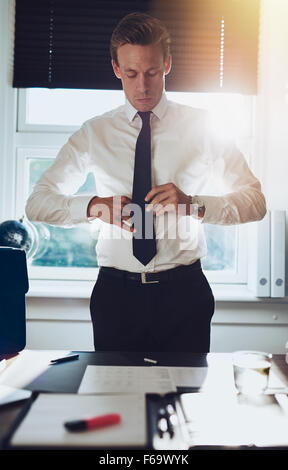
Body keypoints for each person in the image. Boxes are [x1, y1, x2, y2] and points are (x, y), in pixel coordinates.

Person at [25, 12, 266, 353]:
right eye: (132, 73)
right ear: (116, 69)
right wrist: (93, 206)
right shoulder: (95, 133)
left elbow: (255, 202)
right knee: (117, 399)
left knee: (184, 399)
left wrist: (194, 204)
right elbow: (37, 203)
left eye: (152, 72)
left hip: (184, 293)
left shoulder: (203, 126)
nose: (142, 86)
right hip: (115, 295)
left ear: (167, 64)